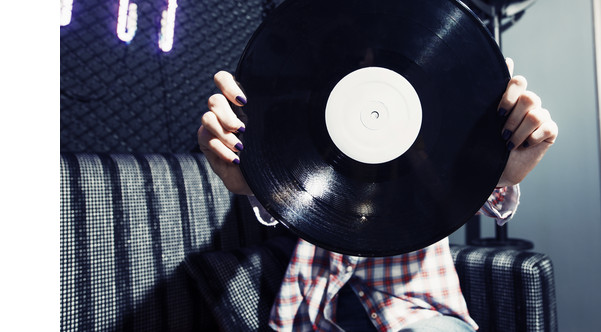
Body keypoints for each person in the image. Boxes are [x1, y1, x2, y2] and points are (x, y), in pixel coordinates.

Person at [197, 57, 558, 332]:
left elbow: (462, 193)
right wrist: (254, 176)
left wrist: (497, 172)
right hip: (309, 312)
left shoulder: (435, 129)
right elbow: (291, 190)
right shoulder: (312, 130)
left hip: (420, 311)